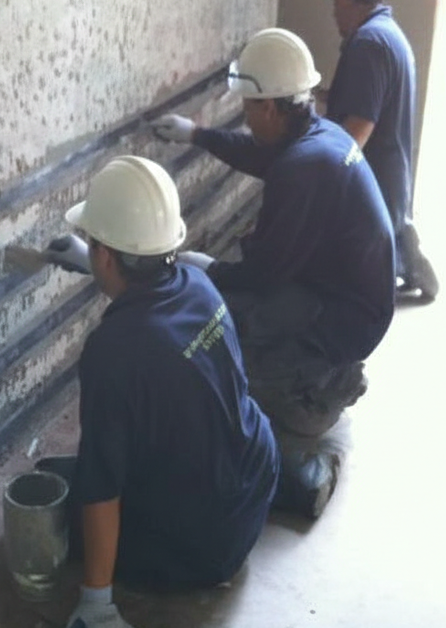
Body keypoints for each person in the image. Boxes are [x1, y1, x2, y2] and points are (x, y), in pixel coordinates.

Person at [153, 28, 395, 517]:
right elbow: (260, 155)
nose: (245, 115)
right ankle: (326, 377)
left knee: (220, 359)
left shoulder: (304, 168)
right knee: (238, 312)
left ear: (268, 107)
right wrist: (197, 134)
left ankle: (312, 405)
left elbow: (263, 275)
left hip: (347, 319)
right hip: (353, 299)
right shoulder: (320, 135)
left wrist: (207, 269)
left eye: (248, 106)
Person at [52, 155, 279, 628]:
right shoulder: (198, 284)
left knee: (65, 499)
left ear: (106, 256)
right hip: (254, 484)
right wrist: (91, 261)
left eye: (94, 247)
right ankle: (297, 482)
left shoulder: (113, 351)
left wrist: (97, 597)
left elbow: (102, 487)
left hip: (203, 552)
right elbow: (153, 309)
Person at [320, 0, 439, 302]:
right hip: (391, 180)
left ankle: (399, 264)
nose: (333, 11)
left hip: (374, 186)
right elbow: (367, 101)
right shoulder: (388, 34)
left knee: (348, 284)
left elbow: (355, 135)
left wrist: (313, 173)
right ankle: (404, 255)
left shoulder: (368, 45)